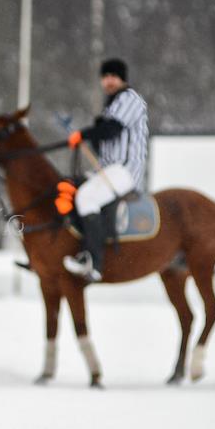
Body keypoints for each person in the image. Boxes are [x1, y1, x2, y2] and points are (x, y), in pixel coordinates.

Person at [62, 58, 149, 282]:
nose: (109, 81)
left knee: (86, 198)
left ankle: (94, 262)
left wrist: (84, 134)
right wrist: (90, 136)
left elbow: (111, 130)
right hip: (108, 169)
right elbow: (104, 138)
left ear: (123, 79)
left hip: (126, 170)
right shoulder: (111, 106)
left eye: (114, 76)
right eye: (106, 77)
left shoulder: (130, 99)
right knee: (72, 188)